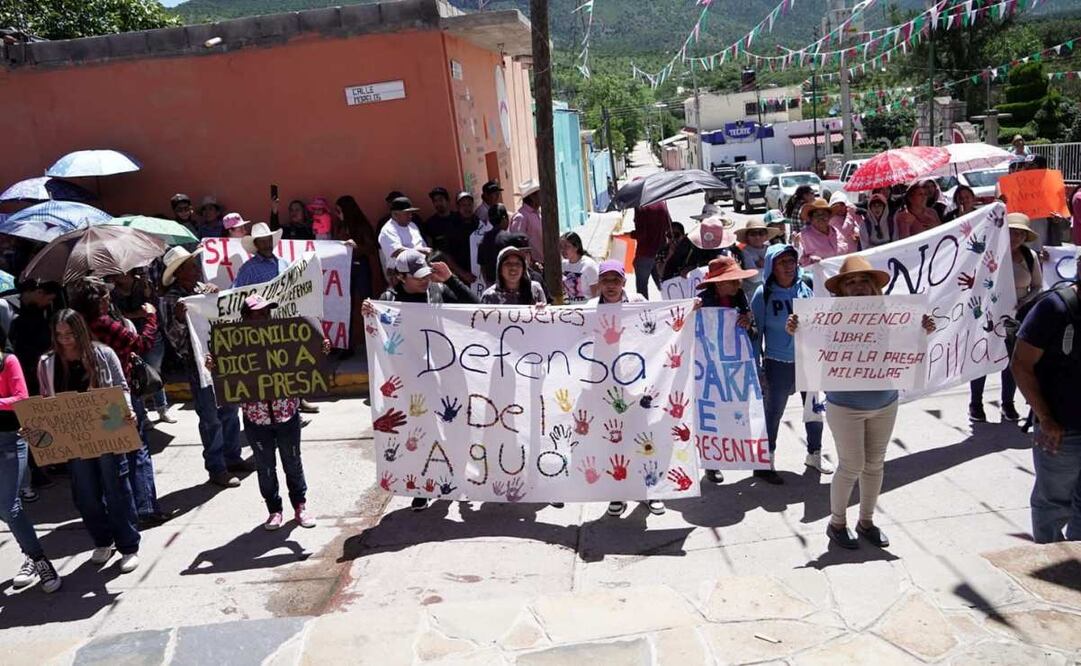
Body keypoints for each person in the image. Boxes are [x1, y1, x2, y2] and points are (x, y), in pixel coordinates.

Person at [787, 256, 935, 549]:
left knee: (875, 465)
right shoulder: (827, 317)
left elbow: (907, 350)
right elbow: (813, 350)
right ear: (841, 290)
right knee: (851, 465)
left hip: (885, 402)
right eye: (850, 282)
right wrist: (797, 329)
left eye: (862, 281)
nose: (857, 287)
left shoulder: (895, 314)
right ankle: (837, 523)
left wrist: (923, 329)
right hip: (845, 405)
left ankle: (866, 521)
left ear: (873, 286)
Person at [206, 296, 322, 530]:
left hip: (287, 414)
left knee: (293, 462)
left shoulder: (284, 339)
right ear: (246, 317)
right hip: (256, 419)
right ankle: (274, 510)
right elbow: (225, 376)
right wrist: (215, 366)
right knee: (265, 467)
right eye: (257, 314)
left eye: (266, 314)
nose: (263, 318)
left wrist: (320, 349)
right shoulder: (233, 346)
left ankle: (300, 506)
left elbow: (305, 360)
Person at [38, 309, 142, 572]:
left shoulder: (103, 355)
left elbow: (121, 386)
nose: (65, 340)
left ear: (81, 331)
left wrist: (128, 410)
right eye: (59, 335)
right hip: (75, 439)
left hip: (108, 430)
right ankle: (103, 540)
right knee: (85, 494)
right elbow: (45, 402)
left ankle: (128, 546)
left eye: (70, 334)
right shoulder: (47, 363)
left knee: (116, 488)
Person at [376, 249, 479, 511]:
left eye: (426, 274)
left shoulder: (437, 292)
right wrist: (370, 314)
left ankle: (454, 479)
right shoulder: (388, 300)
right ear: (401, 277)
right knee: (420, 432)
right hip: (413, 382)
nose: (424, 280)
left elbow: (476, 307)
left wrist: (451, 279)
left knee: (455, 429)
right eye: (417, 276)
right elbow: (380, 338)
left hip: (447, 374)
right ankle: (423, 486)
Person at [69, 277, 171, 527]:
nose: (109, 300)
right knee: (137, 450)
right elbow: (142, 343)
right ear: (97, 301)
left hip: (91, 396)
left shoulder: (76, 323)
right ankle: (145, 508)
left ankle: (119, 509)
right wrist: (151, 318)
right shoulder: (102, 323)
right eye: (105, 297)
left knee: (111, 455)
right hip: (118, 393)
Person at [161, 246, 249, 488]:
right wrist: (181, 319)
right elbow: (175, 339)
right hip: (197, 364)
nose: (197, 268)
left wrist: (215, 298)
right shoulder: (171, 301)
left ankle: (233, 458)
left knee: (230, 410)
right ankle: (217, 467)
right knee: (210, 417)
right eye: (190, 265)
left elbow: (221, 318)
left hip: (221, 359)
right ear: (179, 273)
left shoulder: (202, 290)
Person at [585, 261, 666, 517]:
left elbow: (661, 323)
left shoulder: (638, 302)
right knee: (613, 443)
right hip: (605, 390)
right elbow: (562, 325)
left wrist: (689, 309)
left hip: (637, 386)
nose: (611, 286)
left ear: (624, 282)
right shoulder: (589, 309)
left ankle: (648, 491)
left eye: (615, 280)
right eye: (606, 280)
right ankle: (617, 494)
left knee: (643, 439)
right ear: (599, 283)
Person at [1013, 249, 1081, 542]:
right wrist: (1046, 418)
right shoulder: (1055, 308)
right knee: (1053, 504)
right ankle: (1053, 566)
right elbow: (1021, 363)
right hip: (1061, 431)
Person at [751, 243, 832, 482]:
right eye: (782, 262)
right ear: (771, 266)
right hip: (778, 363)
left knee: (815, 411)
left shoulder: (807, 285)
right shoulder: (762, 294)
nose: (789, 266)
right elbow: (756, 334)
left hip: (809, 361)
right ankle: (766, 462)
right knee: (773, 413)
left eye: (791, 261)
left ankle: (814, 454)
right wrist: (758, 369)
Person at [0, 326, 61, 593]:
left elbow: (21, 398)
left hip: (9, 440)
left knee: (8, 507)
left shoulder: (7, 361)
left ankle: (38, 559)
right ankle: (29, 554)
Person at [970, 214, 1043, 423]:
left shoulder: (1030, 257)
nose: (1017, 237)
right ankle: (976, 404)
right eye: (1013, 232)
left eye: (1021, 233)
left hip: (1017, 316)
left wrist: (1024, 301)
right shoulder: (991, 254)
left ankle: (1008, 404)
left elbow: (1037, 285)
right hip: (989, 315)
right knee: (982, 356)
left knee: (1012, 359)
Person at [696, 255, 759, 485]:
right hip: (709, 370)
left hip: (734, 369)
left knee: (735, 411)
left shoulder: (740, 298)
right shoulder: (701, 303)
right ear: (718, 283)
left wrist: (747, 322)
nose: (736, 284)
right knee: (710, 412)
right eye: (731, 280)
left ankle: (737, 453)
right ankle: (711, 464)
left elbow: (752, 333)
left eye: (736, 280)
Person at [336, 196, 386, 341]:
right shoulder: (340, 226)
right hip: (344, 268)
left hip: (360, 267)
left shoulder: (361, 226)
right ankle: (347, 343)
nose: (337, 213)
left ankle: (375, 339)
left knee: (367, 302)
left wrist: (357, 247)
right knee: (346, 306)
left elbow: (371, 248)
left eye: (339, 210)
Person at [733, 217, 782, 302]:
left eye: (761, 233)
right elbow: (754, 277)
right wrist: (771, 266)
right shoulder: (745, 252)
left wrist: (764, 265)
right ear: (747, 236)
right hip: (753, 295)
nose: (757, 237)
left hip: (773, 294)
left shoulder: (771, 249)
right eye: (753, 234)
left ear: (766, 236)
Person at [630, 201, 671, 297]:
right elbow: (669, 226)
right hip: (661, 254)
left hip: (644, 254)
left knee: (642, 291)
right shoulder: (662, 204)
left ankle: (645, 312)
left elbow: (642, 233)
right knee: (665, 286)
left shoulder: (640, 207)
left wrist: (630, 234)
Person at [378, 197, 429, 273]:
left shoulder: (412, 225)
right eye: (407, 213)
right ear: (395, 214)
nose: (410, 216)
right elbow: (397, 252)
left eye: (411, 213)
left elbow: (423, 245)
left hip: (421, 267)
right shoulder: (388, 230)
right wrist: (420, 251)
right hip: (403, 272)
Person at [481, 246, 547, 305]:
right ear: (499, 269)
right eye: (508, 263)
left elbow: (546, 316)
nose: (513, 268)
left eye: (518, 263)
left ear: (523, 269)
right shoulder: (489, 296)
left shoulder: (535, 289)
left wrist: (542, 311)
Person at [797, 198, 851, 266]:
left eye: (824, 214)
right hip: (819, 274)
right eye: (817, 215)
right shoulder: (804, 236)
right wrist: (810, 259)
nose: (821, 217)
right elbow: (800, 260)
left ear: (829, 216)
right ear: (811, 218)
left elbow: (846, 249)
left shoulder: (835, 231)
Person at [233, 223, 288, 288]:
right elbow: (235, 292)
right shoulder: (248, 269)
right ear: (256, 244)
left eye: (269, 240)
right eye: (262, 242)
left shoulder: (284, 263)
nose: (267, 245)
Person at [559, 232, 599, 302]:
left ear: (576, 247)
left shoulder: (588, 265)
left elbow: (596, 295)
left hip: (587, 308)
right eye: (561, 247)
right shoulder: (563, 265)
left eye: (567, 246)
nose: (563, 250)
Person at [478, 204, 510, 286]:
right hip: (509, 284)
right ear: (504, 218)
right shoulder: (509, 238)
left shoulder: (483, 240)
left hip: (491, 285)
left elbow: (482, 267)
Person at [510, 184, 543, 259]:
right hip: (534, 265)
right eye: (540, 193)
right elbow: (518, 245)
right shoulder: (521, 217)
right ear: (532, 197)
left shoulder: (538, 213)